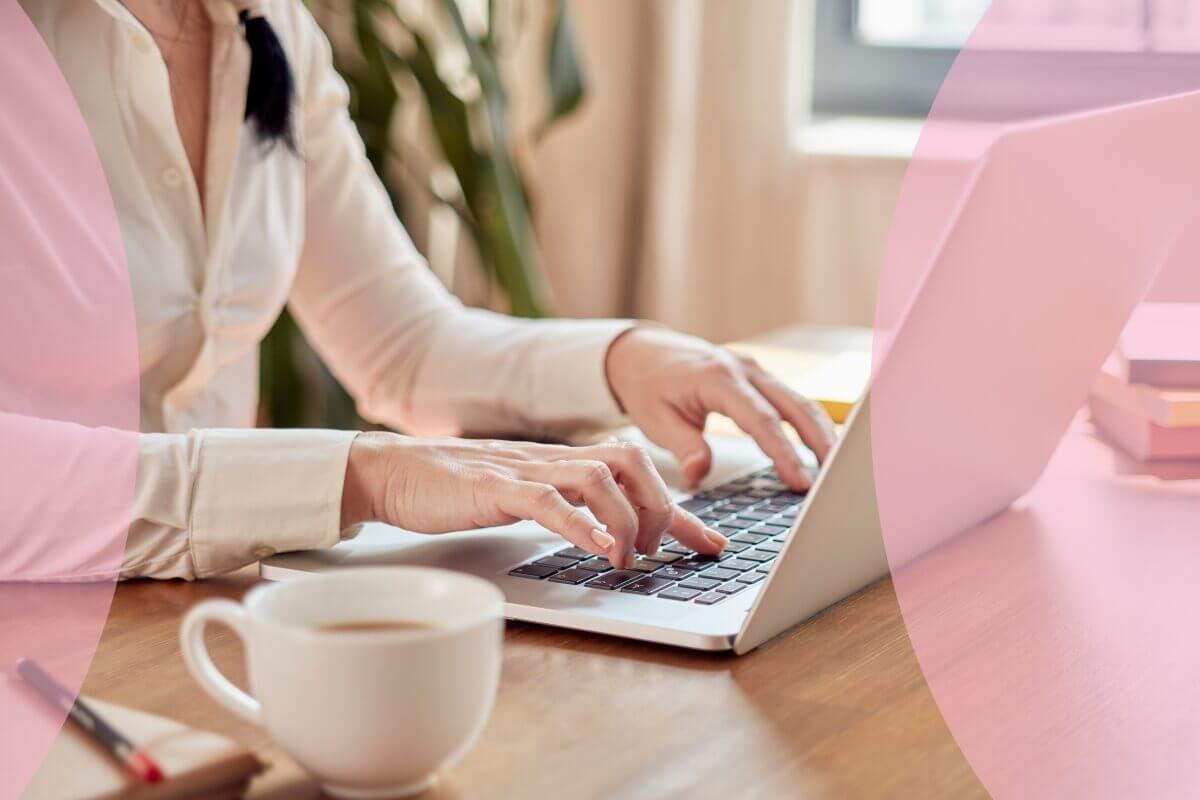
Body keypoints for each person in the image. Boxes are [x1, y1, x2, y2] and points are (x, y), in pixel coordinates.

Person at [18, 0, 834, 580]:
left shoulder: (270, 30)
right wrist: (369, 475)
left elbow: (403, 345)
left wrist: (625, 359)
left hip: (204, 623)